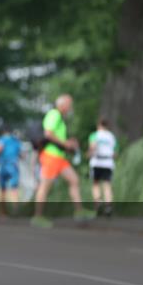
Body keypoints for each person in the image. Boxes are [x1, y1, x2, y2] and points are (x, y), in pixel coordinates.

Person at [31, 94, 94, 227]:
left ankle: (79, 211)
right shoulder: (54, 114)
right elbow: (48, 133)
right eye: (69, 104)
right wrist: (65, 144)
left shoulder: (60, 117)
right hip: (51, 156)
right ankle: (37, 217)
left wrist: (68, 143)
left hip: (59, 157)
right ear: (62, 104)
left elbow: (57, 136)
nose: (71, 107)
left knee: (74, 180)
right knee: (45, 186)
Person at [88, 118, 117, 217]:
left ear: (99, 125)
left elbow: (93, 147)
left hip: (97, 161)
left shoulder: (95, 135)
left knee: (95, 183)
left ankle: (98, 202)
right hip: (108, 162)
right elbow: (115, 153)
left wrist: (89, 153)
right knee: (107, 184)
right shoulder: (111, 136)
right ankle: (108, 205)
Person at [0, 127, 22, 219]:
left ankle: (2, 213)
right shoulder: (16, 141)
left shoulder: (1, 140)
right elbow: (21, 154)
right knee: (14, 189)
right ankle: (16, 210)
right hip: (14, 166)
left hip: (4, 166)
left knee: (3, 190)